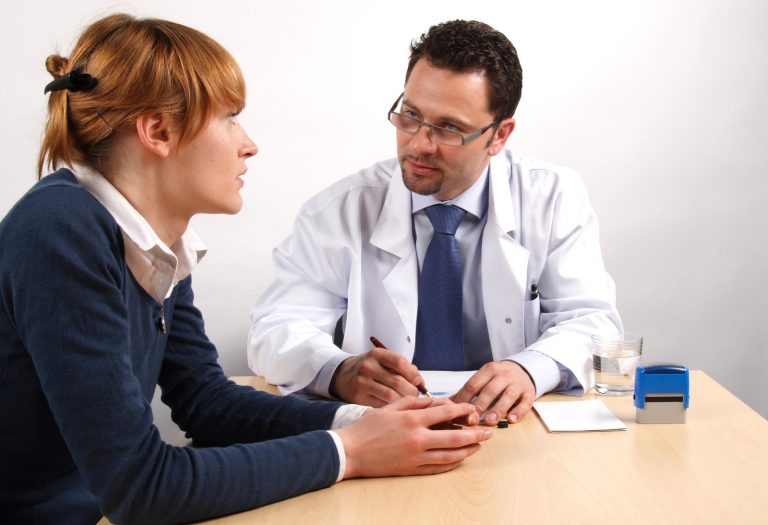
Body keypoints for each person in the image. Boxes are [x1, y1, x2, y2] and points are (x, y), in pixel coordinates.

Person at [0, 14, 492, 525]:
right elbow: (140, 486)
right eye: (230, 118)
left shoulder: (153, 240)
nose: (248, 144)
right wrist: (353, 450)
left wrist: (365, 420)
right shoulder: (60, 231)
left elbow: (205, 402)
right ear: (158, 132)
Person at [248, 20, 622, 425]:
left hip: (510, 425)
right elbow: (275, 327)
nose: (418, 144)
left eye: (449, 128)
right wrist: (339, 371)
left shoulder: (551, 198)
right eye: (410, 115)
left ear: (499, 135)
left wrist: (530, 369)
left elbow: (593, 322)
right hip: (387, 428)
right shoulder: (339, 210)